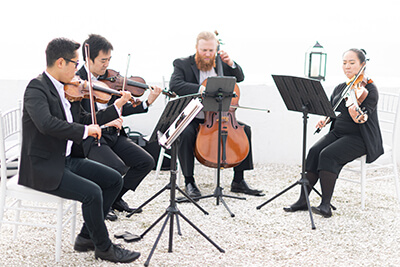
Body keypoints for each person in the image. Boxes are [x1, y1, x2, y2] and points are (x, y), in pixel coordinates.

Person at [18, 37, 140, 263]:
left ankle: (86, 237)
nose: (78, 69)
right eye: (76, 63)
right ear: (61, 62)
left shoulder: (68, 89)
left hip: (66, 160)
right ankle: (104, 247)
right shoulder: (36, 88)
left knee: (114, 180)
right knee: (92, 193)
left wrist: (115, 109)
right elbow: (46, 124)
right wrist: (85, 131)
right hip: (43, 166)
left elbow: (84, 118)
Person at [284, 48, 383, 218]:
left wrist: (354, 106)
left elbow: (362, 119)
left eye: (352, 63)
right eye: (344, 63)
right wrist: (326, 119)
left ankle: (325, 205)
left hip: (360, 138)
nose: (347, 67)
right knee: (314, 152)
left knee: (328, 155)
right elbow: (333, 111)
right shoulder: (341, 87)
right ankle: (302, 200)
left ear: (363, 65)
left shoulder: (369, 89)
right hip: (339, 133)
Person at [76, 34, 162, 221]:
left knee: (145, 161)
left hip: (113, 136)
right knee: (116, 167)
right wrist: (106, 121)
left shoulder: (109, 80)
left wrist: (147, 102)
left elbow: (121, 108)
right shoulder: (76, 82)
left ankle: (115, 198)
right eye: (102, 60)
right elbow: (78, 119)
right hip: (91, 138)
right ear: (88, 59)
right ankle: (101, 203)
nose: (106, 65)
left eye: (109, 60)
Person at [169, 31, 264, 198]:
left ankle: (238, 181)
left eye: (211, 51)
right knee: (185, 133)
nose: (207, 54)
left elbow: (239, 77)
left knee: (245, 130)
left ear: (216, 49)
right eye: (204, 50)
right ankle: (189, 182)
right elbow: (175, 84)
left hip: (218, 116)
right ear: (196, 48)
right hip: (193, 116)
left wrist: (231, 63)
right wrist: (200, 89)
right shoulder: (182, 64)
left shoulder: (221, 62)